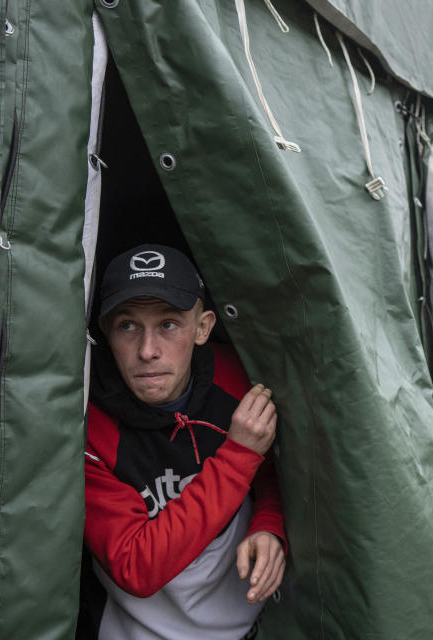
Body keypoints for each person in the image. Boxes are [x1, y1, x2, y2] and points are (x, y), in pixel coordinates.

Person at [78, 244, 285, 640]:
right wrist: (237, 456)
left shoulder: (241, 381)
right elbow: (135, 566)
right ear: (104, 331)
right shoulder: (87, 423)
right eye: (127, 325)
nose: (147, 351)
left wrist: (269, 525)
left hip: (248, 625)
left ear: (204, 327)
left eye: (169, 324)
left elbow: (273, 471)